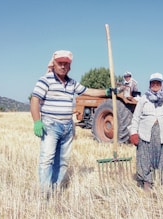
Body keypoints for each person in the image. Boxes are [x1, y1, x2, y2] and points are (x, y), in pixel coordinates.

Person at [30, 50, 114, 195]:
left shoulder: (72, 83)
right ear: (54, 64)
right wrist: (37, 122)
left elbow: (88, 91)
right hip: (51, 125)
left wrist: (106, 92)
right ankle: (45, 194)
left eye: (66, 64)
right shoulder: (45, 80)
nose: (63, 66)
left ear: (70, 66)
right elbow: (35, 100)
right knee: (47, 160)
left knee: (62, 162)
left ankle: (55, 189)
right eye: (60, 63)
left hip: (68, 127)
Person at [128, 72, 163, 191]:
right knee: (144, 159)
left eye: (157, 83)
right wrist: (133, 132)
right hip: (146, 133)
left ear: (161, 84)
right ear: (149, 84)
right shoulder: (143, 99)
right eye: (153, 83)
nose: (155, 85)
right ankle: (147, 183)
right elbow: (136, 117)